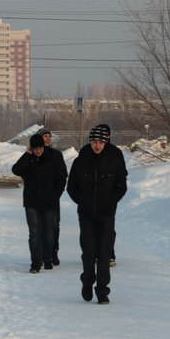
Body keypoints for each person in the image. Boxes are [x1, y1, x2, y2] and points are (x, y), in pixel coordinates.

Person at [67, 124, 128, 304]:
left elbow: (121, 186)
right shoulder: (80, 161)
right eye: (94, 142)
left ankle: (102, 291)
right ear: (90, 142)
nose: (97, 146)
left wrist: (110, 202)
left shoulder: (113, 160)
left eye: (100, 142)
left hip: (106, 214)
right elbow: (71, 187)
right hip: (86, 214)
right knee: (89, 252)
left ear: (105, 141)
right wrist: (82, 201)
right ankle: (87, 282)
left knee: (104, 253)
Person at [12, 134, 67, 273]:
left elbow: (62, 178)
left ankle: (47, 258)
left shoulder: (53, 157)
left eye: (40, 148)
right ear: (31, 148)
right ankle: (35, 264)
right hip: (32, 201)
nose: (38, 151)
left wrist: (55, 196)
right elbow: (16, 170)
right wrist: (27, 155)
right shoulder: (28, 159)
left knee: (49, 232)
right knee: (34, 232)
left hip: (49, 201)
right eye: (35, 148)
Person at [95, 123, 125, 267]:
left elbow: (122, 174)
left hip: (110, 196)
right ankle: (96, 252)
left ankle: (109, 254)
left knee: (107, 226)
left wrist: (114, 195)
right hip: (93, 196)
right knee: (95, 226)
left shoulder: (115, 152)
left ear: (109, 137)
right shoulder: (91, 152)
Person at [37, 128, 68, 265]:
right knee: (39, 227)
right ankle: (42, 254)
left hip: (53, 198)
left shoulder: (56, 155)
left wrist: (57, 193)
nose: (48, 139)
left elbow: (62, 176)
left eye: (49, 136)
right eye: (45, 136)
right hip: (37, 198)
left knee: (54, 226)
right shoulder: (34, 155)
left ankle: (53, 252)